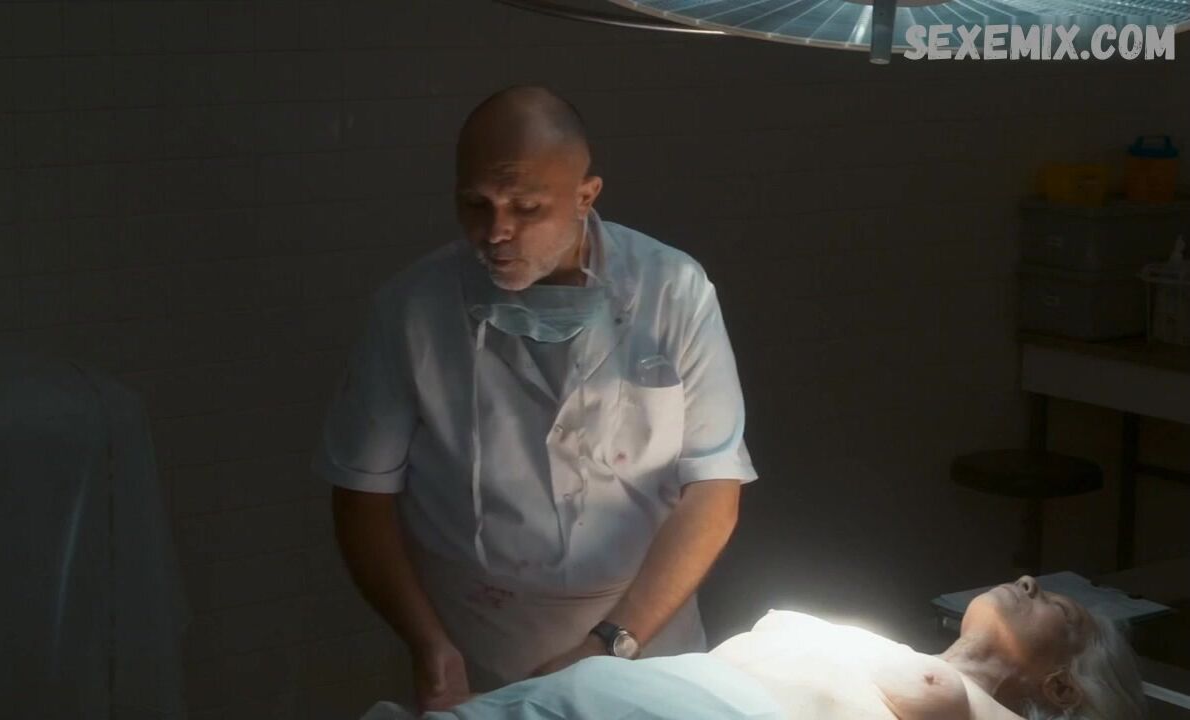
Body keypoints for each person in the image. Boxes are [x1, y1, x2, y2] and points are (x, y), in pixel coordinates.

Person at [315, 85, 757, 710]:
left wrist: (613, 642)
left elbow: (714, 490)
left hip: (643, 636)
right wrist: (430, 648)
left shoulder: (672, 292)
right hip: (478, 647)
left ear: (585, 196)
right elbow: (361, 497)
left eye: (526, 207)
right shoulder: (412, 311)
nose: (496, 231)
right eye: (476, 204)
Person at [359, 575, 1146, 720]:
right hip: (612, 693)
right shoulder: (891, 649)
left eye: (1057, 607)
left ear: (1062, 687)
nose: (1029, 580)